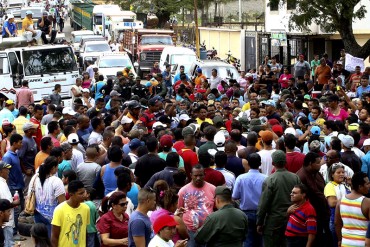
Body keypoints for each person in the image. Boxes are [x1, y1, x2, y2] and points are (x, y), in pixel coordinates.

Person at [257, 150, 301, 247]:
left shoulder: (270, 180)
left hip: (274, 222)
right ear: (285, 162)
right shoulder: (295, 178)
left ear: (273, 163)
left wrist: (259, 222)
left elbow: (264, 203)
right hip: (292, 219)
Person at [297, 152, 331, 247]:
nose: (320, 164)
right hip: (311, 216)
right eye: (317, 163)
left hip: (322, 213)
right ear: (310, 163)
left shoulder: (316, 173)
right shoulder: (301, 176)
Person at [233, 153, 266, 247]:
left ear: (248, 163)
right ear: (260, 164)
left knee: (248, 240)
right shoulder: (266, 178)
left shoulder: (241, 178)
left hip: (246, 213)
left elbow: (235, 196)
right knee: (261, 240)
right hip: (261, 213)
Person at [178, 165, 215, 247]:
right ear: (191, 175)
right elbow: (178, 212)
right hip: (190, 232)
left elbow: (217, 209)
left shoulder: (212, 189)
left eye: (200, 175)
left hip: (208, 232)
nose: (198, 178)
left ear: (204, 175)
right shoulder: (183, 191)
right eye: (195, 175)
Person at [30, 156, 66, 236]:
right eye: (57, 166)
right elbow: (62, 204)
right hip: (53, 217)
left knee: (40, 240)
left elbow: (30, 194)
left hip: (37, 213)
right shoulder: (56, 181)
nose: (58, 168)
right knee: (51, 241)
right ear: (53, 167)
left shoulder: (35, 178)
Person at [335, 172, 370, 247]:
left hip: (345, 243)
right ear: (360, 186)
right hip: (363, 243)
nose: (369, 186)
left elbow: (337, 223)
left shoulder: (340, 201)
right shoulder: (367, 202)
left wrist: (340, 240)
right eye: (367, 184)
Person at [51, 180, 90, 247]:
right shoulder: (59, 210)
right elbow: (54, 237)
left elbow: (84, 231)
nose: (84, 195)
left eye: (84, 192)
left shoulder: (86, 208)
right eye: (80, 193)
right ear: (71, 194)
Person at [2, 134, 24, 237]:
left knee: (19, 210)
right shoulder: (7, 156)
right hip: (12, 188)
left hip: (18, 186)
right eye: (20, 142)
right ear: (14, 143)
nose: (21, 144)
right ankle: (14, 233)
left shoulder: (15, 154)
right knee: (14, 211)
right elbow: (5, 173)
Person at [0, 161, 19, 247]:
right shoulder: (1, 184)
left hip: (5, 221)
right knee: (8, 243)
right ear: (0, 171)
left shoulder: (3, 182)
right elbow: (5, 203)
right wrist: (16, 202)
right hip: (6, 223)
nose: (8, 171)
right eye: (6, 169)